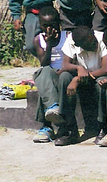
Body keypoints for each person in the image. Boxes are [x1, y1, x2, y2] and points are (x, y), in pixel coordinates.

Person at [57, 26, 107, 146]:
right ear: (78, 45)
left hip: (98, 76)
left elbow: (105, 69)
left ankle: (103, 128)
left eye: (93, 40)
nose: (94, 44)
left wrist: (77, 79)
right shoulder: (71, 40)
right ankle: (70, 130)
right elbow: (65, 64)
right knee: (64, 78)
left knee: (101, 83)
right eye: (89, 44)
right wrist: (79, 68)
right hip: (83, 76)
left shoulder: (101, 38)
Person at [29, 7, 67, 144]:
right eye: (45, 26)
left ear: (59, 23)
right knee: (42, 72)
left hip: (65, 73)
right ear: (40, 25)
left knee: (44, 87)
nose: (49, 28)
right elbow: (44, 62)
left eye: (53, 25)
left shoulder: (67, 36)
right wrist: (49, 44)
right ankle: (53, 110)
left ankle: (46, 126)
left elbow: (72, 60)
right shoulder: (38, 40)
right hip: (49, 75)